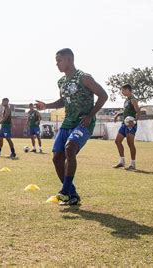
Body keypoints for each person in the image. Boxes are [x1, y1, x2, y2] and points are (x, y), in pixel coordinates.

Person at [36, 48, 107, 206]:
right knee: (57, 158)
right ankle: (72, 194)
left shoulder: (84, 78)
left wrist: (90, 115)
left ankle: (64, 191)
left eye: (59, 60)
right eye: (56, 61)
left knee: (70, 148)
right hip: (67, 123)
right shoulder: (61, 82)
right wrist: (46, 105)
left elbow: (103, 95)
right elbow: (63, 101)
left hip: (83, 123)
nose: (57, 64)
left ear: (69, 59)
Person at [112, 84, 141, 171]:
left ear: (128, 90)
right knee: (117, 141)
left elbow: (138, 112)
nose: (122, 92)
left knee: (130, 143)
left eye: (123, 90)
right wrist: (118, 114)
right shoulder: (126, 100)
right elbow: (125, 111)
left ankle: (133, 164)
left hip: (131, 125)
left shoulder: (133, 100)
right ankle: (122, 162)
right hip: (124, 124)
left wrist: (134, 122)